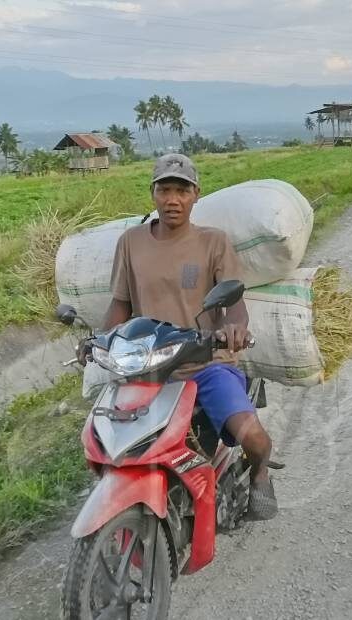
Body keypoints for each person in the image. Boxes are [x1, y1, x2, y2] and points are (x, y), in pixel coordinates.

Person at [102, 153, 277, 520]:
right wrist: (102, 340)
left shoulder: (213, 243)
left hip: (205, 365)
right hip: (147, 368)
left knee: (252, 437)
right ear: (153, 194)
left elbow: (235, 304)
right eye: (164, 189)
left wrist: (234, 329)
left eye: (181, 190)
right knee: (109, 442)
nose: (172, 199)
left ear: (196, 194)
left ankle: (259, 470)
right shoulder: (130, 242)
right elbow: (120, 303)